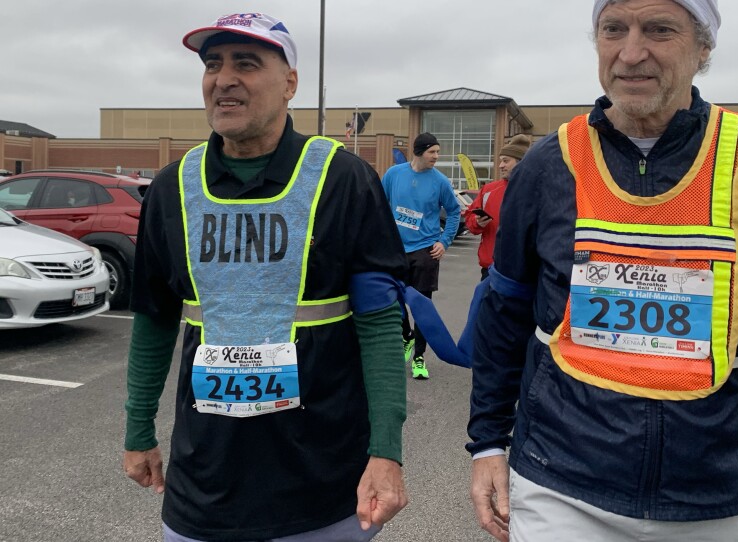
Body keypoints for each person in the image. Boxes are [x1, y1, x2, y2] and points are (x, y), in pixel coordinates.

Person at [467, 1, 738, 541]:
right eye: (614, 29)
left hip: (709, 499)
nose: (631, 53)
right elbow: (506, 309)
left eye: (659, 30)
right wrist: (490, 442)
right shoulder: (550, 161)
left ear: (703, 48)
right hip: (559, 485)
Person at [122, 12, 409, 542]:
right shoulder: (171, 189)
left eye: (246, 63)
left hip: (324, 486)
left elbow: (379, 322)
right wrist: (138, 429)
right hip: (203, 482)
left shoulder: (344, 179)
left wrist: (387, 452)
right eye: (213, 64)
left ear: (290, 83)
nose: (223, 78)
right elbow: (154, 319)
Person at [382, 132, 461, 380]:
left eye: (438, 152)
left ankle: (419, 357)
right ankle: (406, 336)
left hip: (425, 250)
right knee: (393, 299)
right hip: (395, 250)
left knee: (422, 307)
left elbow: (455, 212)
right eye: (432, 152)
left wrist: (444, 241)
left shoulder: (440, 181)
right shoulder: (394, 174)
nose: (436, 157)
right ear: (419, 151)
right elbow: (380, 206)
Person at [464, 134, 531, 280]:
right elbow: (469, 219)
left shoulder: (536, 191)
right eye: (501, 161)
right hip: (490, 270)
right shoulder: (488, 190)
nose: (501, 166)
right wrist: (477, 222)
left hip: (525, 273)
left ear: (521, 162)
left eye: (506, 161)